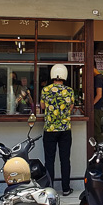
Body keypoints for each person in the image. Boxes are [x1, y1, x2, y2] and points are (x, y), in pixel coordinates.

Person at [40, 64, 75, 195]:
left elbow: (43, 106)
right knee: (65, 159)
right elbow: (71, 108)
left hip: (49, 129)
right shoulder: (69, 91)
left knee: (49, 160)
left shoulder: (45, 90)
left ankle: (50, 189)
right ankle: (66, 188)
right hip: (65, 129)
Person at [92, 67, 103, 140]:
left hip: (96, 108)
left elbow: (99, 95)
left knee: (96, 131)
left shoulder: (98, 78)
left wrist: (91, 105)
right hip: (98, 108)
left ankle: (102, 149)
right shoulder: (99, 77)